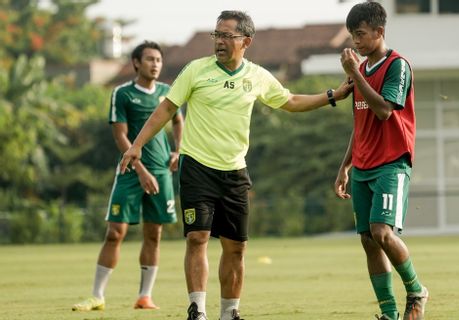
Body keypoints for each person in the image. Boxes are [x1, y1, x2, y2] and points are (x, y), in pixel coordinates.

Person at [118, 10, 353, 320]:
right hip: (197, 167)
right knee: (197, 237)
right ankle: (197, 310)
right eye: (217, 35)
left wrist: (332, 95)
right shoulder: (196, 70)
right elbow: (166, 109)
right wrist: (136, 146)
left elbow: (291, 102)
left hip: (234, 172)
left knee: (236, 247)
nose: (220, 41)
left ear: (246, 41)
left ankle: (229, 313)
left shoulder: (256, 76)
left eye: (227, 35)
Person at [72, 41, 184, 311]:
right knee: (115, 233)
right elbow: (120, 135)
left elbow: (178, 121)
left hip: (161, 173)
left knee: (154, 234)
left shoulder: (168, 92)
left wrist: (177, 151)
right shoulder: (122, 94)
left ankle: (145, 296)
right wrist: (141, 169)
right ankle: (97, 296)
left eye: (158, 59)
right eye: (149, 59)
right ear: (136, 63)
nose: (155, 64)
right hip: (130, 172)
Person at [334, 2, 428, 320]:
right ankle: (389, 314)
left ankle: (416, 291)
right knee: (367, 239)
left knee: (382, 232)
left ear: (379, 32)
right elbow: (359, 124)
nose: (356, 42)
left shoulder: (397, 66)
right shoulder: (360, 72)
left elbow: (385, 110)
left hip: (391, 162)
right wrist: (344, 166)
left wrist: (354, 75)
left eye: (360, 34)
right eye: (352, 35)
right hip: (362, 165)